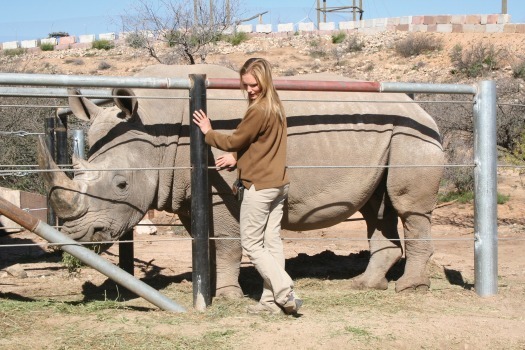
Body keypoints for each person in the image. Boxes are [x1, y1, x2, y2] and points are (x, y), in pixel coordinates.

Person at [193, 58, 302, 315]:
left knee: (252, 244)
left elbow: (235, 141)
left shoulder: (258, 109)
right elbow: (260, 145)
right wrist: (238, 159)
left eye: (254, 84)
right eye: (246, 85)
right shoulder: (276, 106)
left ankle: (284, 290)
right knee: (271, 242)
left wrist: (208, 132)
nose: (250, 89)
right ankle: (271, 303)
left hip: (260, 186)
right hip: (278, 184)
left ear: (264, 80)